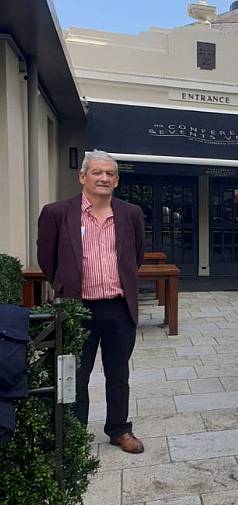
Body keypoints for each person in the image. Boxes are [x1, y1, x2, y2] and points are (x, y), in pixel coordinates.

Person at [37, 150, 145, 453]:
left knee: (118, 373)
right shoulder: (57, 213)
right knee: (75, 374)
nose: (104, 178)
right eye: (97, 172)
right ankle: (73, 433)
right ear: (82, 177)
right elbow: (47, 258)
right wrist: (64, 285)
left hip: (117, 307)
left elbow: (135, 256)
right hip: (76, 308)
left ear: (117, 180)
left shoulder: (130, 213)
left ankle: (119, 430)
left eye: (110, 174)